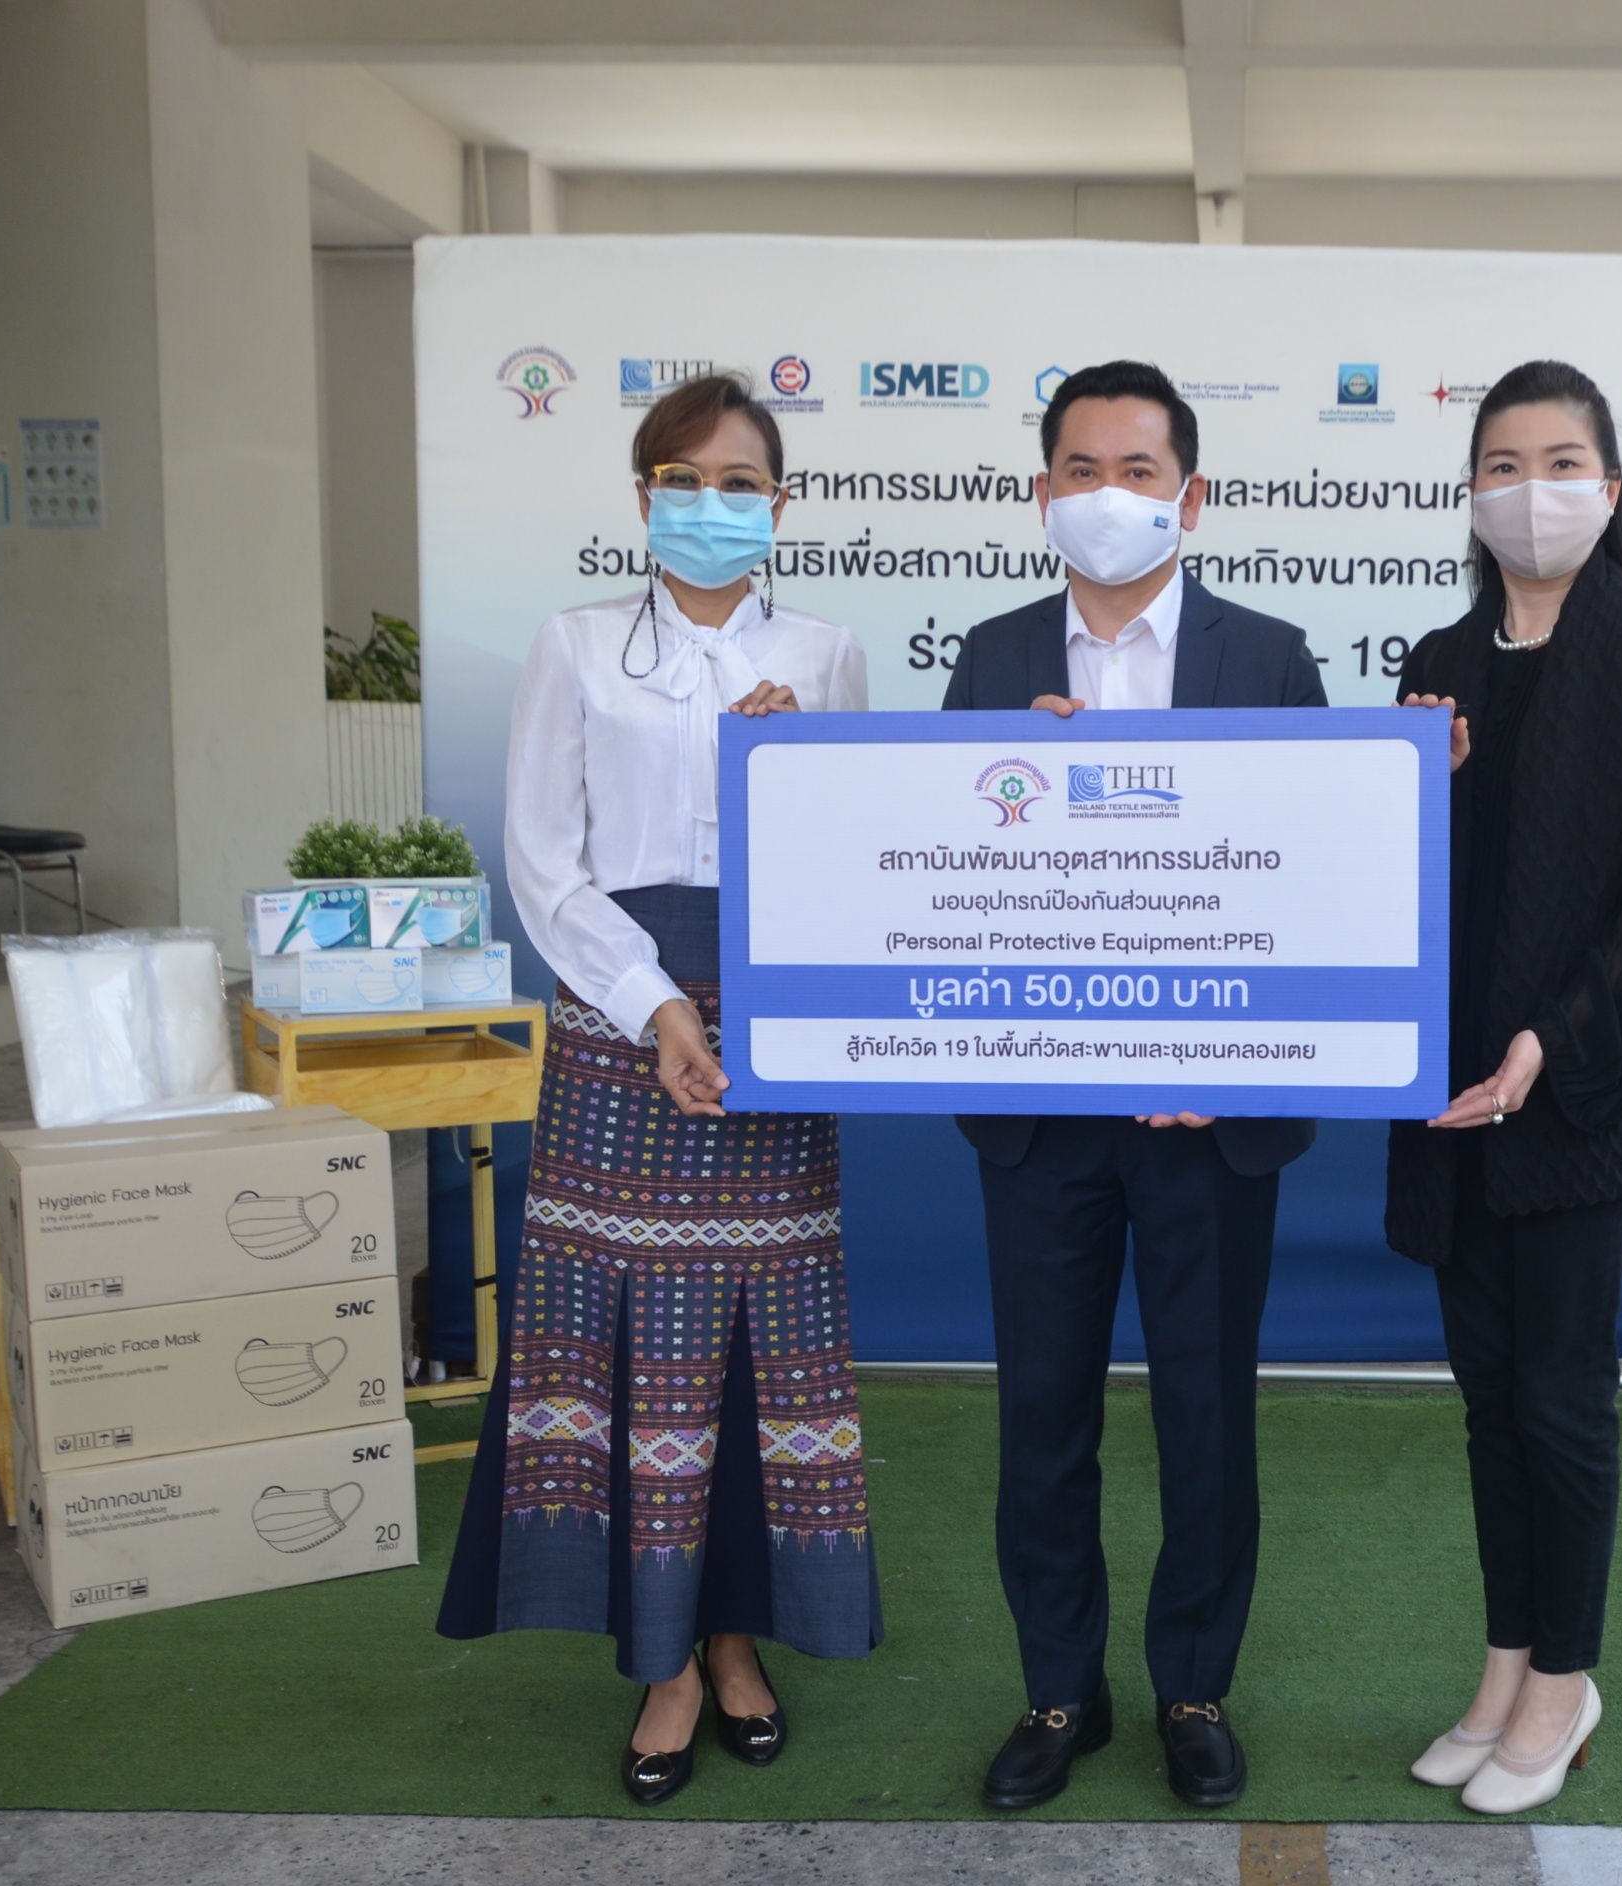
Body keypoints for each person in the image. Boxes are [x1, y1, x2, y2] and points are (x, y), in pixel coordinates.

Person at [437, 372, 881, 1808]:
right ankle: (665, 1663)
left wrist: (794, 765)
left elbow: (855, 858)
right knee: (633, 1348)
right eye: (683, 480)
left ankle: (737, 1638)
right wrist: (660, 1004)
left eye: (739, 482)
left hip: (774, 1030)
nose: (710, 504)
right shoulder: (573, 644)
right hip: (621, 1021)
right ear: (643, 496)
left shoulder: (825, 654)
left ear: (779, 505)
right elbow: (542, 864)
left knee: (757, 1351)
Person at [942, 361, 1326, 1811]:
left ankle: (1192, 1687)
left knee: (1203, 1417)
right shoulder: (989, 660)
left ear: (1191, 496)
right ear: (1042, 492)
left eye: (1138, 470)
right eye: (1080, 469)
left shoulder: (1269, 657)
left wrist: (1237, 1058)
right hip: (1041, 1122)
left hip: (1206, 1124)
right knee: (1041, 1417)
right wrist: (1008, 791)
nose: (1108, 494)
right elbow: (938, 880)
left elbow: (1310, 881)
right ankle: (1060, 1691)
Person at [1387, 360, 1622, 1816]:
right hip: (1455, 1103)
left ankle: (1568, 1680)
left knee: (1562, 1402)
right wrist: (1433, 782)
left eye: (1562, 462)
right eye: (1504, 465)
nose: (1533, 491)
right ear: (1472, 492)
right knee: (1487, 1404)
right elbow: (1395, 878)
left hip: (1578, 1099)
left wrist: (1550, 1045)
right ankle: (1506, 1662)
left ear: (1611, 484)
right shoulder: (1438, 660)